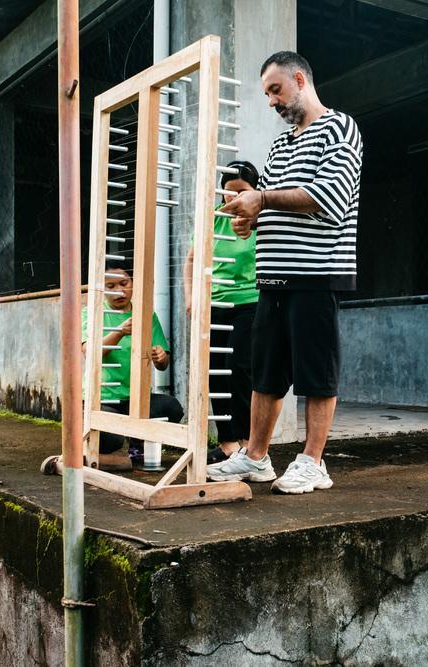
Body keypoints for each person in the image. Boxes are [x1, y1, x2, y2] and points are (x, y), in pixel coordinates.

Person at [206, 51, 363, 494]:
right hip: (272, 277)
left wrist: (262, 200)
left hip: (317, 272)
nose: (271, 101)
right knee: (266, 374)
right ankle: (256, 458)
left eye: (275, 90)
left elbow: (327, 198)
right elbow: (273, 203)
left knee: (317, 373)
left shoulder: (340, 128)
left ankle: (313, 462)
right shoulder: (280, 145)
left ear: (299, 79)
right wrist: (251, 218)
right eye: (267, 94)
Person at [183, 160, 260, 464]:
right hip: (215, 305)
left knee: (239, 368)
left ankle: (248, 443)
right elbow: (191, 261)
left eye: (242, 191)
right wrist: (191, 298)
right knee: (215, 371)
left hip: (250, 303)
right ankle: (227, 443)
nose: (234, 197)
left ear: (255, 191)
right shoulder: (213, 220)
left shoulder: (261, 220)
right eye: (229, 191)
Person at [82, 261, 183, 469]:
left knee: (171, 408)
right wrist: (119, 332)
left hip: (137, 399)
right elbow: (89, 352)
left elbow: (163, 365)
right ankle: (98, 452)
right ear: (101, 289)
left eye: (124, 283)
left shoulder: (146, 314)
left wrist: (160, 357)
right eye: (110, 286)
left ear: (133, 283)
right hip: (103, 399)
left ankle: (138, 448)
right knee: (112, 438)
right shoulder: (92, 312)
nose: (119, 291)